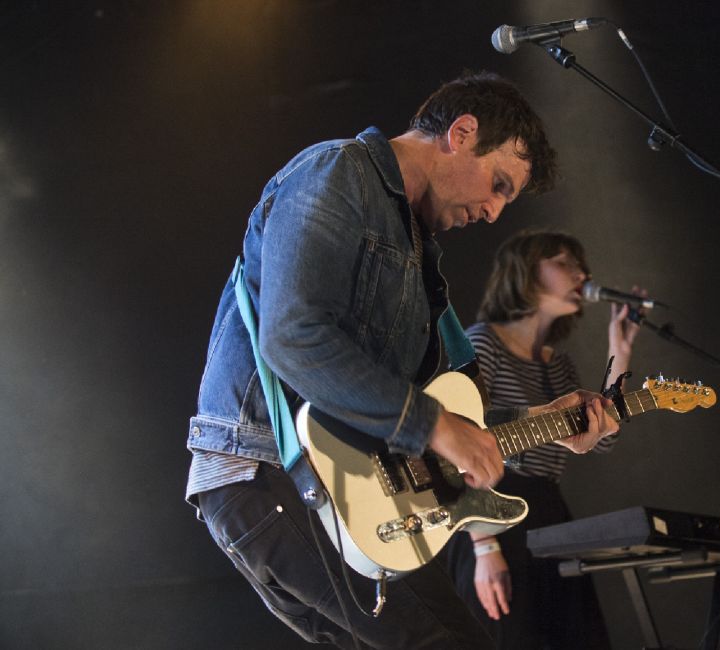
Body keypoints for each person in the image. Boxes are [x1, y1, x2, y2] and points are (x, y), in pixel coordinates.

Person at [184, 72, 620, 649]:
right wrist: (435, 426)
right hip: (269, 471)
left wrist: (548, 421)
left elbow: (441, 415)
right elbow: (293, 337)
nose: (493, 212)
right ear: (461, 133)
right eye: (498, 185)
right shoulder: (337, 172)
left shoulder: (417, 256)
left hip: (348, 490)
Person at [443, 230, 644, 649]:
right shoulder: (483, 342)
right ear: (526, 272)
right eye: (564, 262)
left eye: (580, 264)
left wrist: (619, 354)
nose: (582, 273)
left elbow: (601, 439)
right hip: (491, 508)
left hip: (550, 513)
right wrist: (483, 546)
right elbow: (458, 443)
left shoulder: (560, 364)